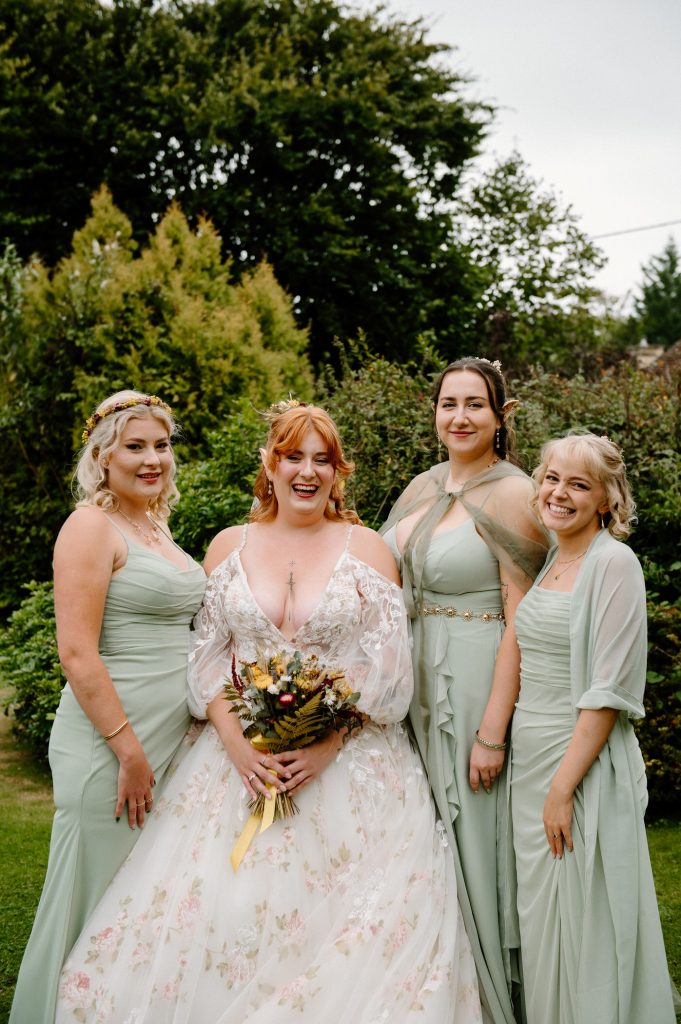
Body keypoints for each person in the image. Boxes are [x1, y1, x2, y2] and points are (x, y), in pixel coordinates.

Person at [55, 401, 482, 1023]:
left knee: (352, 924)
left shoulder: (369, 550)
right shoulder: (229, 544)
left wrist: (323, 746)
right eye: (292, 457)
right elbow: (205, 661)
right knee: (224, 914)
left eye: (322, 460)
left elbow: (388, 674)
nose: (306, 472)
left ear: (339, 472)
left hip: (353, 770)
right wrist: (237, 745)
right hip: (233, 762)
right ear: (270, 464)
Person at [9, 390, 206, 1024]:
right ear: (102, 455)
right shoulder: (90, 526)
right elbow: (77, 652)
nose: (153, 459)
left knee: (136, 907)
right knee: (87, 899)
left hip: (166, 742)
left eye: (162, 445)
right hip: (111, 745)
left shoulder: (154, 526)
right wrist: (128, 752)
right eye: (136, 446)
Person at [381, 358, 549, 1024]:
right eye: (447, 403)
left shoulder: (514, 494)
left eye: (473, 405)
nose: (458, 417)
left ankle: (494, 995)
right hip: (413, 683)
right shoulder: (421, 486)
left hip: (476, 677)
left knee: (474, 836)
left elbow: (522, 617)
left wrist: (491, 730)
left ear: (499, 416)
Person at [509, 433, 676, 1024]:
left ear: (606, 498)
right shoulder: (558, 555)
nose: (559, 493)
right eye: (551, 478)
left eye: (578, 484)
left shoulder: (614, 563)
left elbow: (606, 694)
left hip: (576, 767)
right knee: (544, 923)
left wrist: (562, 790)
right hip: (528, 764)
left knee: (588, 925)